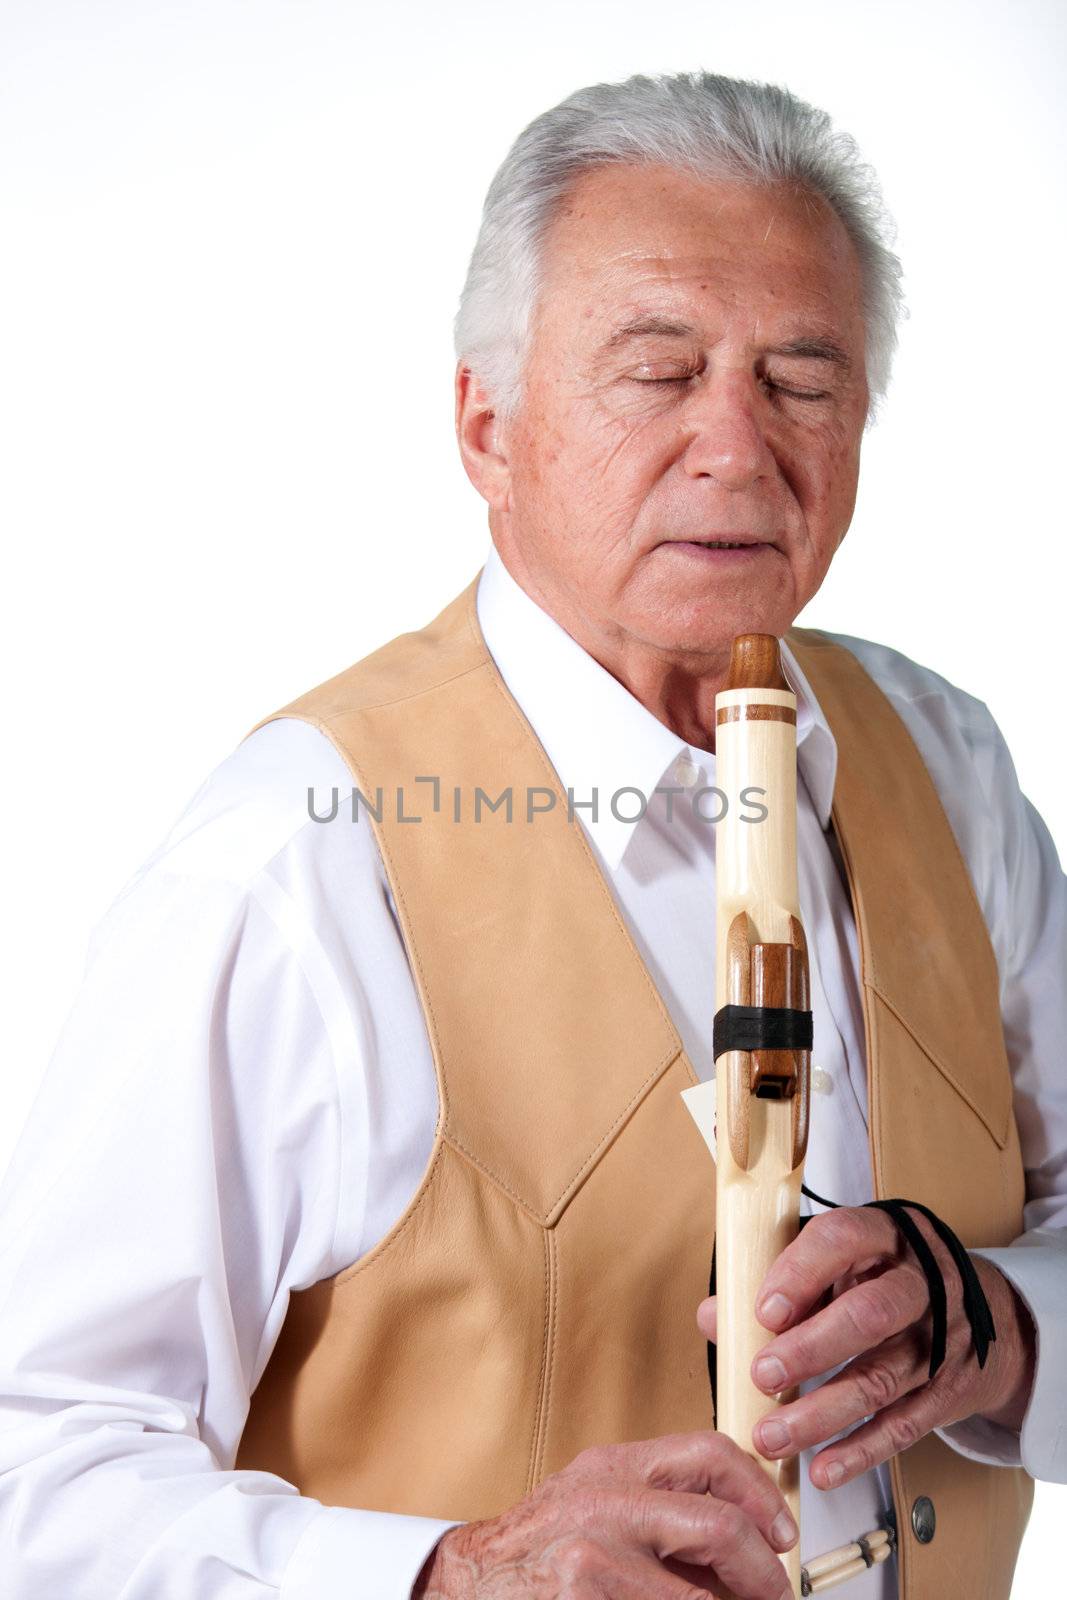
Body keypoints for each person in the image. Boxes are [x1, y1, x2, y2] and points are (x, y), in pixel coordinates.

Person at [1, 69, 1064, 1600]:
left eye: (803, 378)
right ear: (487, 427)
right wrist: (447, 1574)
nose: (736, 447)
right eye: (657, 369)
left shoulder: (948, 765)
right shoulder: (299, 857)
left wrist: (996, 1327)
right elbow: (38, 1468)